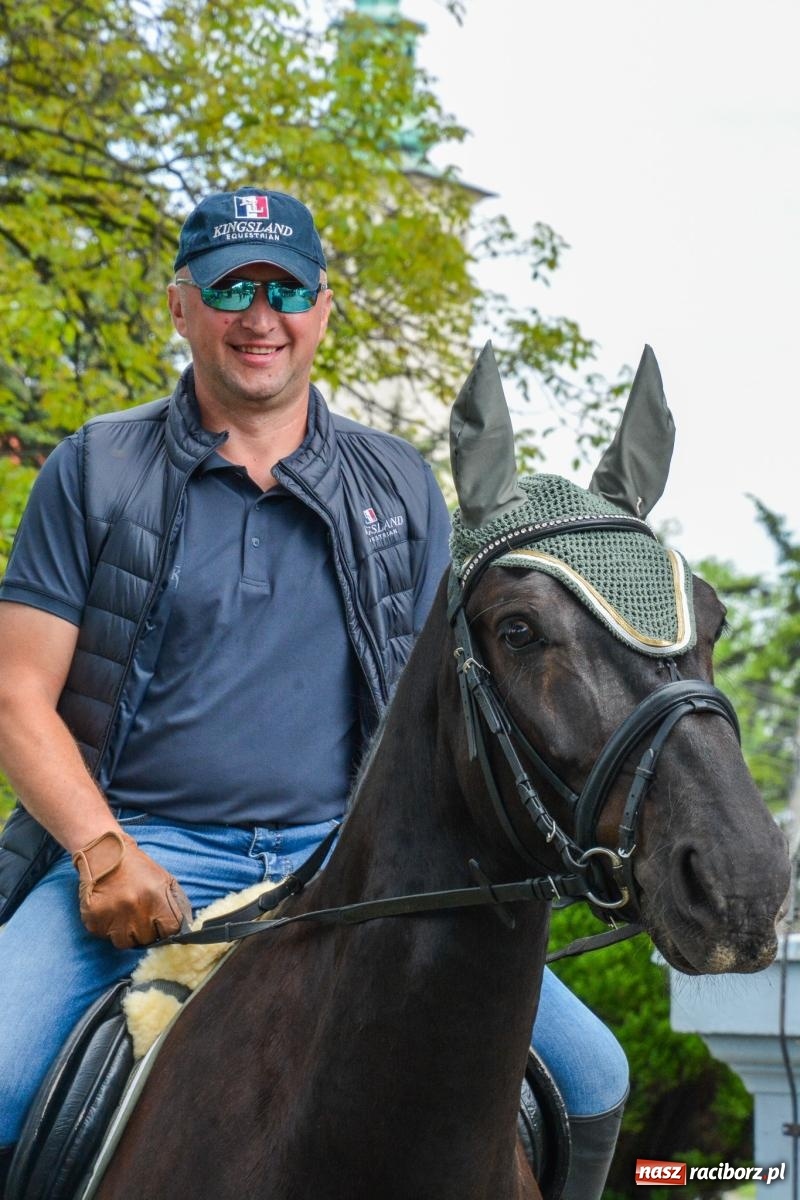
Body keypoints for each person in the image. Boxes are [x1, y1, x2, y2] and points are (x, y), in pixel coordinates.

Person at [0, 186, 627, 1197]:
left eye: (287, 290)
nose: (261, 317)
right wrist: (102, 851)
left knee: (594, 1077)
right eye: (231, 289)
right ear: (180, 306)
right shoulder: (94, 469)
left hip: (350, 867)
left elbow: (448, 714)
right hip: (145, 855)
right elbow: (15, 696)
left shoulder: (399, 483)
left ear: (322, 310)